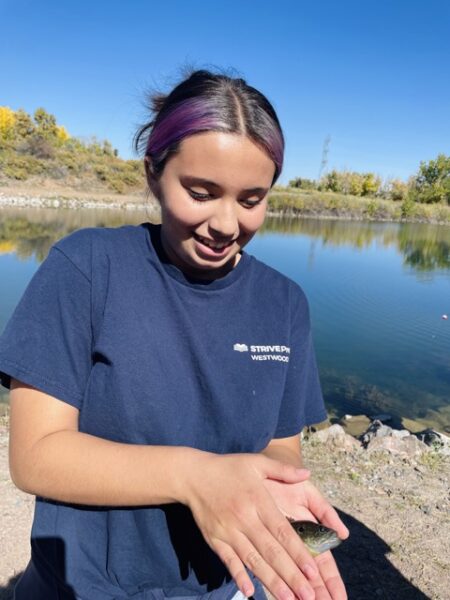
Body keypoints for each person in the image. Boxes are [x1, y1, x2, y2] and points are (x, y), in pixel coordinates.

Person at [0, 68, 349, 600]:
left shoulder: (284, 304)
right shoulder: (87, 267)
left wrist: (275, 498)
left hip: (221, 587)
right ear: (153, 174)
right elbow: (36, 455)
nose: (227, 224)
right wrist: (195, 477)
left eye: (252, 199)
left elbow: (281, 450)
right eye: (201, 192)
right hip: (82, 587)